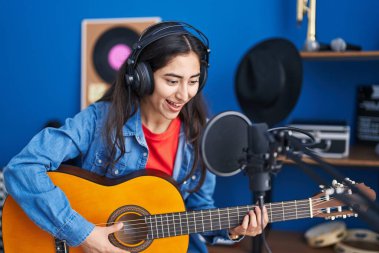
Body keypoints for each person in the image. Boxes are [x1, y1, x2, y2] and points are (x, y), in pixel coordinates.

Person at [3, 21, 268, 253]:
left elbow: (197, 210)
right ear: (142, 77)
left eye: (193, 81)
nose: (184, 94)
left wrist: (233, 230)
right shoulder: (97, 121)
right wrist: (83, 233)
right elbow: (23, 168)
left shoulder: (199, 135)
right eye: (172, 81)